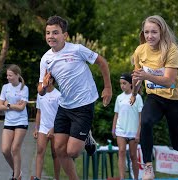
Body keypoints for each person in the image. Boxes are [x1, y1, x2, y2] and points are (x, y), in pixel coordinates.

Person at [38, 15, 112, 180]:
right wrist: (44, 84)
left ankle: (87, 136)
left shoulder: (77, 49)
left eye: (55, 32)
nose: (51, 36)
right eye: (48, 33)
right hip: (64, 106)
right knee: (59, 149)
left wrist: (107, 88)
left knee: (72, 151)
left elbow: (102, 62)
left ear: (65, 35)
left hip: (84, 105)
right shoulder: (46, 59)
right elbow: (40, 91)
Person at [130, 15, 178, 180]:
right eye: (146, 32)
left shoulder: (171, 50)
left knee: (177, 144)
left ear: (161, 33)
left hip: (176, 102)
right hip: (155, 98)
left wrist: (146, 75)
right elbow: (138, 76)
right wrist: (134, 93)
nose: (149, 36)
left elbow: (169, 81)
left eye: (154, 32)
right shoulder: (140, 51)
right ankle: (148, 167)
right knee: (145, 122)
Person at [0, 64, 29, 180]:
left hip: (21, 121)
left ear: (17, 75)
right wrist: (13, 105)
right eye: (7, 75)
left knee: (15, 148)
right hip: (8, 122)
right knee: (5, 150)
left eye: (10, 75)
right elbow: (0, 107)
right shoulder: (5, 87)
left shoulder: (24, 88)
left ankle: (16, 177)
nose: (8, 77)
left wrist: (9, 104)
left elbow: (22, 108)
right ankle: (17, 171)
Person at [112, 73, 143, 179]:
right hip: (120, 130)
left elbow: (140, 117)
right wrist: (114, 128)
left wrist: (138, 133)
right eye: (121, 84)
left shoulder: (137, 97)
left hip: (133, 132)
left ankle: (136, 178)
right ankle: (122, 178)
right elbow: (116, 115)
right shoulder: (119, 98)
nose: (122, 86)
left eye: (124, 83)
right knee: (121, 152)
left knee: (133, 156)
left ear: (131, 84)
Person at [31, 77, 61, 180]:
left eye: (45, 78)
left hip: (56, 128)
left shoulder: (58, 95)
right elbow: (38, 112)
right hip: (43, 127)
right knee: (40, 151)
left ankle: (57, 178)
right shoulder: (40, 94)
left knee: (55, 154)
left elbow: (61, 115)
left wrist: (53, 128)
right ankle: (37, 178)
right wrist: (36, 128)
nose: (42, 81)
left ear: (51, 80)